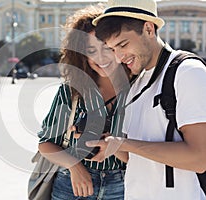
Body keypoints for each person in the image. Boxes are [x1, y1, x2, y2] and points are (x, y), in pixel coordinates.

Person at [85, 0, 206, 199]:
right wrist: (109, 143)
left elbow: (200, 158)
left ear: (149, 29)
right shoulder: (136, 84)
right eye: (112, 49)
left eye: (123, 45)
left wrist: (126, 144)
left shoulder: (188, 72)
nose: (118, 57)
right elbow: (135, 158)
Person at [37, 4, 131, 200]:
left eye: (106, 47)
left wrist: (113, 146)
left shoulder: (138, 91)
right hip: (71, 186)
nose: (101, 57)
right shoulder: (72, 91)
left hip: (123, 185)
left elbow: (142, 154)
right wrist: (74, 166)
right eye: (91, 50)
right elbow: (46, 144)